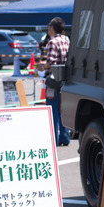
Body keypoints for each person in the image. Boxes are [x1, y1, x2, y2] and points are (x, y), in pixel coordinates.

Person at [40, 17, 70, 146]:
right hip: (66, 77)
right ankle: (64, 136)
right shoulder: (66, 40)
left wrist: (41, 65)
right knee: (63, 109)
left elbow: (51, 62)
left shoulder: (52, 41)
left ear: (52, 28)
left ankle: (54, 138)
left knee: (53, 110)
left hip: (54, 79)